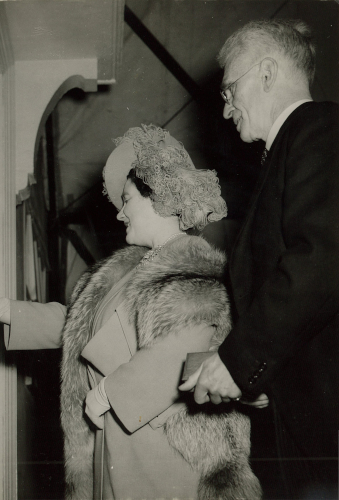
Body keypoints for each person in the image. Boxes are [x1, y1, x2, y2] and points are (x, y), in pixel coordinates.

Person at [0, 125, 264, 499]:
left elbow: (183, 346)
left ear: (158, 197)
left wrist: (110, 392)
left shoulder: (197, 268)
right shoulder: (128, 270)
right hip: (112, 445)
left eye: (127, 199)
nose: (119, 214)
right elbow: (79, 327)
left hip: (163, 458)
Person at [179, 19, 339, 497]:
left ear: (267, 73)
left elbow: (322, 260)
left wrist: (239, 361)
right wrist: (265, 377)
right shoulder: (288, 153)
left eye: (230, 90)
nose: (226, 109)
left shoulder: (320, 128)